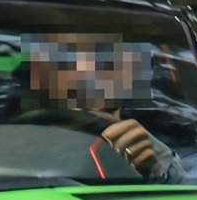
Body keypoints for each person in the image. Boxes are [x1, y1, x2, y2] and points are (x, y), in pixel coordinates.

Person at [18, 32, 184, 181]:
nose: (86, 70)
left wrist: (157, 169)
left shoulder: (174, 137)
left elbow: (196, 188)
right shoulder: (14, 133)